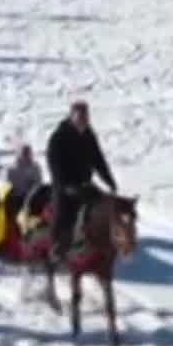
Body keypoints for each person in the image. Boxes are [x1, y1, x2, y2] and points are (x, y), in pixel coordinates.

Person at [45, 100, 117, 264]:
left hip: (84, 183)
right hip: (64, 185)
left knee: (103, 207)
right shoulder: (59, 136)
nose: (83, 120)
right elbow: (54, 163)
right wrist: (64, 185)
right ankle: (56, 247)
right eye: (79, 117)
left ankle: (103, 243)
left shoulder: (89, 136)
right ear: (71, 116)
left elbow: (98, 160)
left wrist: (109, 181)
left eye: (85, 117)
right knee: (63, 213)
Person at [5, 144, 42, 218]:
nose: (27, 156)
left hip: (31, 196)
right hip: (16, 196)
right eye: (25, 153)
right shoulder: (12, 168)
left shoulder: (35, 167)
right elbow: (8, 184)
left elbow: (38, 183)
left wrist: (30, 194)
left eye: (28, 153)